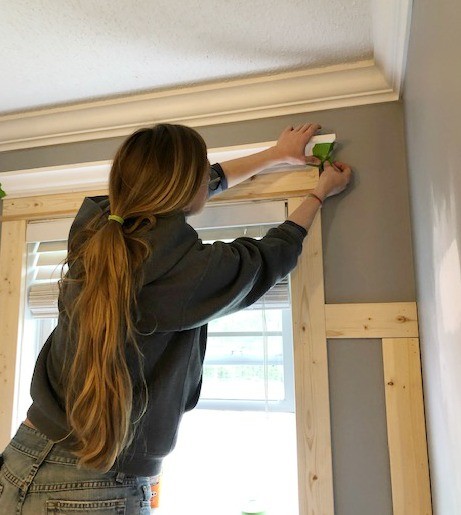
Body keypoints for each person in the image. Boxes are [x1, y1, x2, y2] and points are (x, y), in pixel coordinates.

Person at [0, 122, 351, 513]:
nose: (210, 176)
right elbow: (271, 255)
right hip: (91, 485)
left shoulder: (94, 227)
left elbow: (189, 192)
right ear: (188, 187)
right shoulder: (191, 271)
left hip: (19, 460)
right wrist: (319, 193)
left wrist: (274, 155)